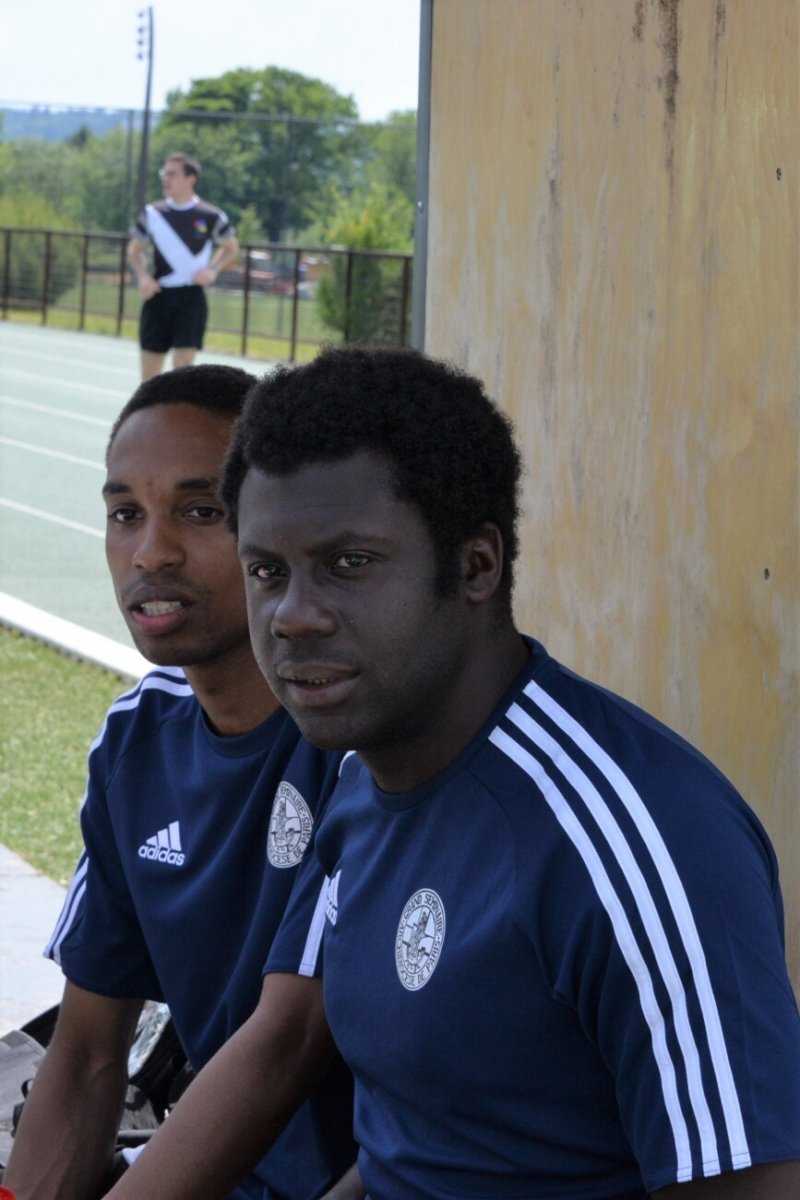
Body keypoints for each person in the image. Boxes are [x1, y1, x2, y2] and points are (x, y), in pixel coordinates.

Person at [102, 346, 800, 1200]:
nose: (293, 616)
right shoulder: (363, 786)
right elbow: (405, 1133)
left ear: (476, 565)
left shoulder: (635, 839)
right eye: (267, 572)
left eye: (349, 564)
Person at [3, 365, 357, 1200]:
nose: (150, 552)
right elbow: (89, 1054)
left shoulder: (361, 740)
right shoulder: (137, 737)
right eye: (125, 513)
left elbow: (286, 1049)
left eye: (201, 513)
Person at [126, 153, 239, 381]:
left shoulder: (211, 215)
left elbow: (231, 248)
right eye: (164, 173)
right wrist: (143, 277)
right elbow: (134, 250)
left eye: (172, 174)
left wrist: (213, 270)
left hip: (191, 299)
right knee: (149, 378)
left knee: (183, 368)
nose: (165, 179)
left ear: (190, 179)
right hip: (158, 298)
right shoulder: (152, 213)